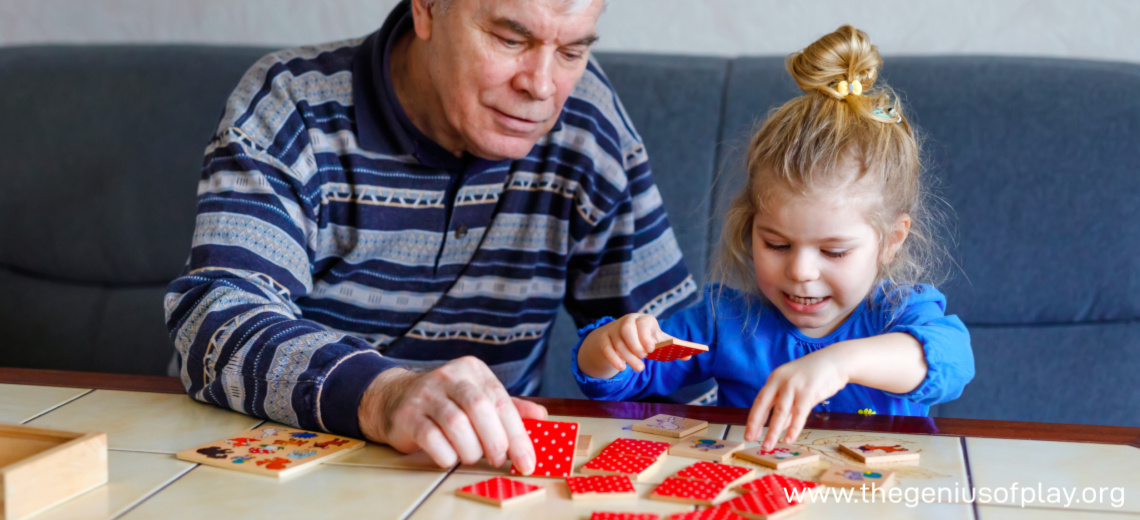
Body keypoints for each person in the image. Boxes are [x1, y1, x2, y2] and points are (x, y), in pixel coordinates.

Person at [164, 0, 696, 475]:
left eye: (572, 51)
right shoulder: (291, 105)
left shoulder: (586, 123)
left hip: (478, 472)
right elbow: (213, 321)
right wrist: (382, 395)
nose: (540, 85)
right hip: (278, 466)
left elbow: (678, 351)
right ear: (426, 10)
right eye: (511, 40)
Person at [573, 26, 975, 450]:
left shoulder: (899, 314)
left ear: (891, 240)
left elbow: (952, 360)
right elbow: (612, 385)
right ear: (750, 228)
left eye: (833, 251)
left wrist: (840, 363)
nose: (800, 271)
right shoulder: (723, 321)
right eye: (777, 244)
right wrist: (610, 345)